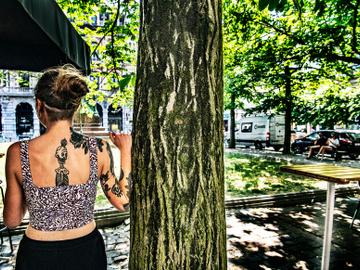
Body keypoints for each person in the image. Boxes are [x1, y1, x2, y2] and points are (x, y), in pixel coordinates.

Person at [3, 65, 132, 270]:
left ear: (39, 105)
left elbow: (11, 220)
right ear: (76, 107)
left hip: (37, 255)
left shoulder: (18, 153)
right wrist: (126, 151)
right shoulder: (99, 149)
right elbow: (123, 203)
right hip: (86, 253)